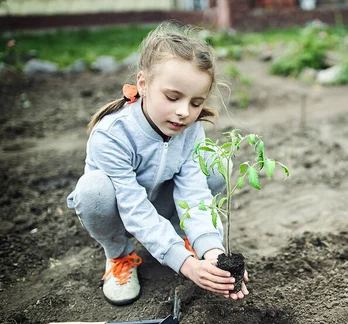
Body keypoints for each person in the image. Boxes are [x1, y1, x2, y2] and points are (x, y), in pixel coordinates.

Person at [67, 22, 248, 305]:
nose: (183, 112)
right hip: (118, 211)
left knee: (213, 164)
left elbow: (194, 193)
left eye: (196, 102)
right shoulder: (112, 134)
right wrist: (186, 265)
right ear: (143, 84)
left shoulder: (190, 130)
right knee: (93, 189)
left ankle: (183, 237)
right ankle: (120, 255)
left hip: (164, 206)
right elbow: (134, 208)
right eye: (173, 97)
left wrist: (212, 251)